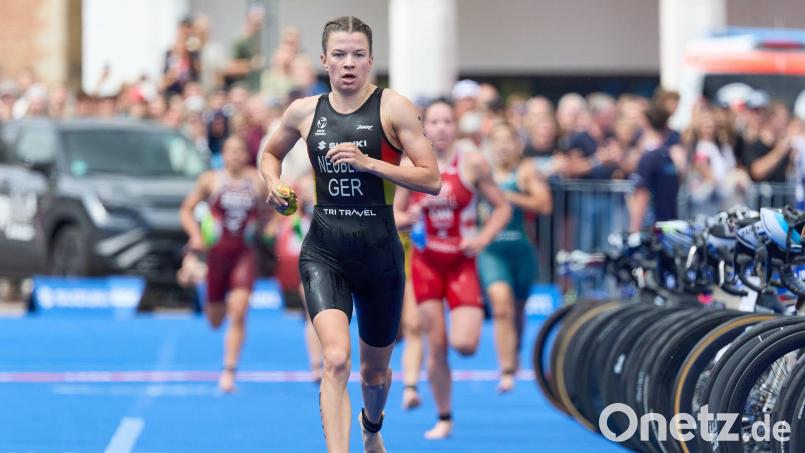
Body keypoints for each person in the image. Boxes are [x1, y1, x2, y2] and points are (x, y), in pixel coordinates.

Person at [260, 16, 440, 453]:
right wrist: (273, 184)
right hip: (326, 251)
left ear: (371, 60)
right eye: (339, 54)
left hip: (380, 254)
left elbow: (431, 178)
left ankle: (371, 427)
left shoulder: (393, 108)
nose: (348, 63)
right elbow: (270, 153)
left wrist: (369, 163)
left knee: (374, 374)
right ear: (324, 60)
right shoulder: (304, 111)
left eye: (358, 55)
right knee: (336, 359)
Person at [398, 99, 511, 440]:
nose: (441, 128)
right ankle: (444, 417)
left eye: (447, 121)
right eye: (434, 122)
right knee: (435, 343)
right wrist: (407, 219)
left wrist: (483, 238)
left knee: (464, 344)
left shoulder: (471, 162)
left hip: (461, 263)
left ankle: (453, 388)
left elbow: (502, 207)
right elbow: (393, 215)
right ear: (424, 128)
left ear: (456, 126)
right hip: (426, 263)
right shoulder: (411, 165)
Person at [179, 136, 266, 393]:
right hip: (216, 256)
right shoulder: (210, 180)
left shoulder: (257, 181)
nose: (235, 155)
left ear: (247, 155)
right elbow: (185, 210)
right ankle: (200, 278)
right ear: (223, 154)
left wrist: (268, 226)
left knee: (238, 312)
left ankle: (229, 371)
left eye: (240, 151)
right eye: (230, 151)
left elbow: (270, 211)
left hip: (243, 255)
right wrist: (195, 235)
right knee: (215, 320)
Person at [477, 122, 552, 393]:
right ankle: (506, 369)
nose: (503, 146)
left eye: (508, 140)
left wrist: (508, 196)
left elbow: (545, 204)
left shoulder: (525, 171)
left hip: (521, 250)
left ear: (517, 144)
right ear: (490, 145)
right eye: (497, 140)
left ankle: (515, 353)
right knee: (501, 306)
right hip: (491, 251)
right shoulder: (481, 171)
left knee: (517, 310)